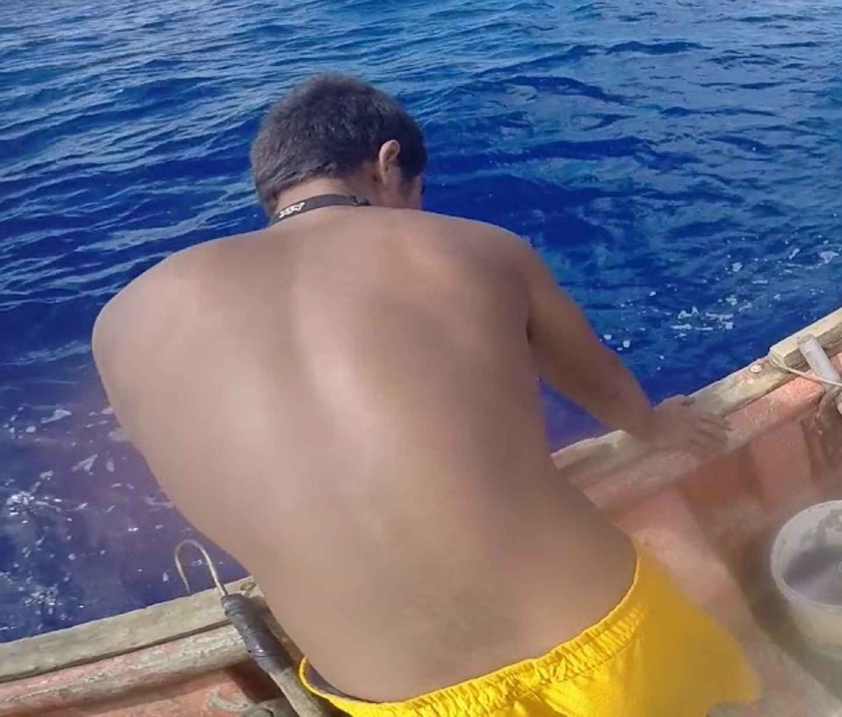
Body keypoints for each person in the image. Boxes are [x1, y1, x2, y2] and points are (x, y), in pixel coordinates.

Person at [92, 75, 760, 717]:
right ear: (388, 163)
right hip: (599, 643)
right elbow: (604, 386)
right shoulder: (477, 247)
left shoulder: (122, 323)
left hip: (392, 700)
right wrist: (654, 424)